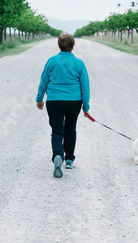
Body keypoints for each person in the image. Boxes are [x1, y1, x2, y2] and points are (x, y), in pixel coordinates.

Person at [36, 34, 90, 178]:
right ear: (73, 46)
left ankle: (58, 156)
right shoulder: (79, 63)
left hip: (54, 101)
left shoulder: (52, 61)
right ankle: (70, 159)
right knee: (70, 129)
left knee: (57, 130)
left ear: (59, 45)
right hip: (74, 101)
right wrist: (86, 106)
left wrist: (39, 99)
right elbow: (85, 86)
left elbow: (43, 81)